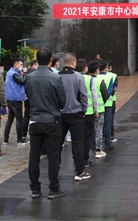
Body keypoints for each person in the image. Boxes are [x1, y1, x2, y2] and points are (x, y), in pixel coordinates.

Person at [25, 48, 67, 199]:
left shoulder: (29, 77)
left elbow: (28, 96)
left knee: (34, 155)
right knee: (53, 156)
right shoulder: (55, 78)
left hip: (35, 120)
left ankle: (35, 188)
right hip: (51, 121)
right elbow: (62, 102)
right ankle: (53, 188)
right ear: (50, 60)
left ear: (37, 60)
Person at [58, 52, 90, 181]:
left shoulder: (56, 76)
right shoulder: (78, 77)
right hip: (76, 114)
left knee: (57, 144)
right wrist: (84, 110)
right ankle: (79, 171)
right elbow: (83, 95)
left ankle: (55, 171)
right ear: (73, 62)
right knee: (77, 143)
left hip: (60, 114)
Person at [3, 58, 28, 146]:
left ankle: (5, 139)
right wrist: (25, 73)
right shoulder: (14, 74)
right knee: (19, 119)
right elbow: (22, 81)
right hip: (15, 98)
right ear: (16, 64)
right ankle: (20, 140)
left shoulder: (9, 73)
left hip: (10, 98)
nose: (22, 66)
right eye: (21, 64)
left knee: (10, 118)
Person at [81, 59, 100, 169]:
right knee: (87, 137)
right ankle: (85, 158)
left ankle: (77, 159)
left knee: (77, 138)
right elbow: (94, 96)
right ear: (85, 68)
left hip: (76, 112)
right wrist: (96, 111)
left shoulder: (74, 77)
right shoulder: (89, 79)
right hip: (88, 112)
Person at [92, 60, 109, 159]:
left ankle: (90, 147)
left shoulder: (83, 79)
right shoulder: (99, 80)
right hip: (99, 109)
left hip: (86, 110)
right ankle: (98, 149)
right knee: (99, 130)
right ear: (97, 70)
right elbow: (105, 95)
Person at [98, 61, 116, 151]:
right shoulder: (111, 77)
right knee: (107, 124)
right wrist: (106, 97)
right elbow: (112, 89)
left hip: (97, 104)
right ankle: (107, 143)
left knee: (97, 125)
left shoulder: (95, 77)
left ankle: (95, 144)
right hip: (108, 103)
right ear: (106, 68)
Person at [20, 60, 39, 142]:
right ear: (34, 65)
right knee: (34, 115)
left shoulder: (26, 73)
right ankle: (33, 134)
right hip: (33, 97)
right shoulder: (35, 74)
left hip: (26, 97)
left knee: (26, 116)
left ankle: (23, 134)